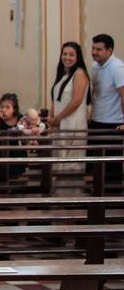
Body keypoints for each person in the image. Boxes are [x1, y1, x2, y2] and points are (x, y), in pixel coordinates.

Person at [49, 42, 89, 185]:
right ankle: (59, 198)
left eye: (71, 54)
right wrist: (51, 116)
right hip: (63, 124)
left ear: (77, 57)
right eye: (64, 54)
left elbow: (76, 101)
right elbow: (57, 97)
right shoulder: (64, 74)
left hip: (73, 125)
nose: (67, 57)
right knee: (60, 162)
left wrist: (57, 118)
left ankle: (72, 199)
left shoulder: (79, 73)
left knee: (71, 164)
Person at [89, 35, 124, 178]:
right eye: (93, 48)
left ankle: (112, 197)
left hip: (113, 123)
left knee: (111, 168)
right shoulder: (94, 66)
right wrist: (91, 114)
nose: (94, 52)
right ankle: (94, 196)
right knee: (94, 163)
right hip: (97, 120)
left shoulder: (117, 67)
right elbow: (95, 93)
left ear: (109, 51)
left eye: (99, 49)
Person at [0, 92, 26, 179]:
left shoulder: (21, 118)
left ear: (14, 109)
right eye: (2, 107)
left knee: (14, 172)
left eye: (8, 107)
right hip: (1, 148)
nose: (4, 110)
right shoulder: (0, 119)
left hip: (16, 149)